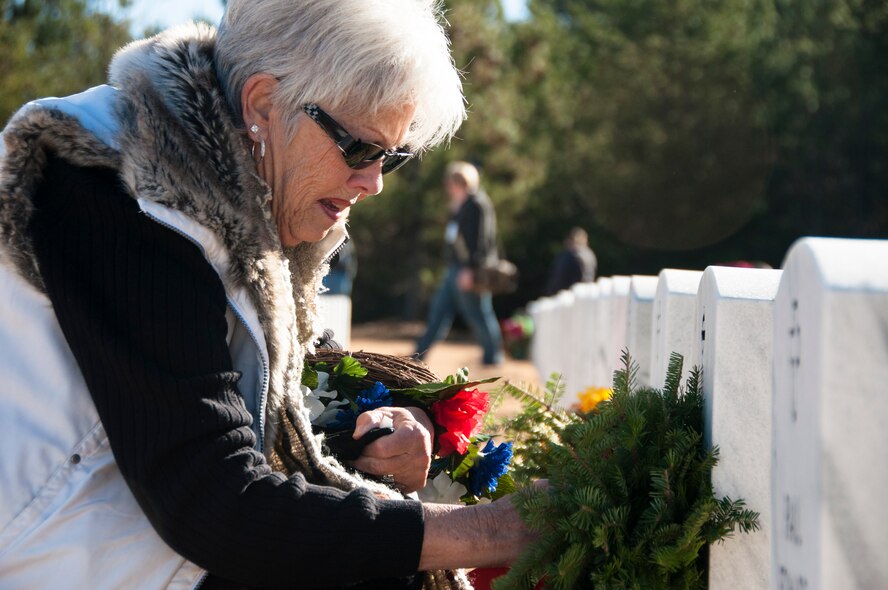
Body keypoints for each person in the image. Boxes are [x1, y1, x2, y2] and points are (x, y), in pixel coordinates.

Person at [0, 2, 533, 588]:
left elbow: (292, 362)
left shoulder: (240, 180)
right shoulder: (122, 193)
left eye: (393, 157)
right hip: (49, 550)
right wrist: (494, 529)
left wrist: (407, 422)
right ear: (261, 104)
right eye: (359, 148)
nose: (374, 182)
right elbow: (212, 499)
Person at [415, 162, 504, 366]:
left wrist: (470, 270)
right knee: (438, 311)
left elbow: (482, 241)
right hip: (454, 269)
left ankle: (493, 357)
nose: (449, 187)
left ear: (463, 182)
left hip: (469, 270)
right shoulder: (460, 205)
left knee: (479, 314)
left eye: (453, 182)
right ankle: (419, 354)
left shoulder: (478, 204)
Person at [545, 227, 598, 295]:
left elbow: (558, 279)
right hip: (586, 293)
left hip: (568, 294)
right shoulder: (590, 255)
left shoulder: (569, 256)